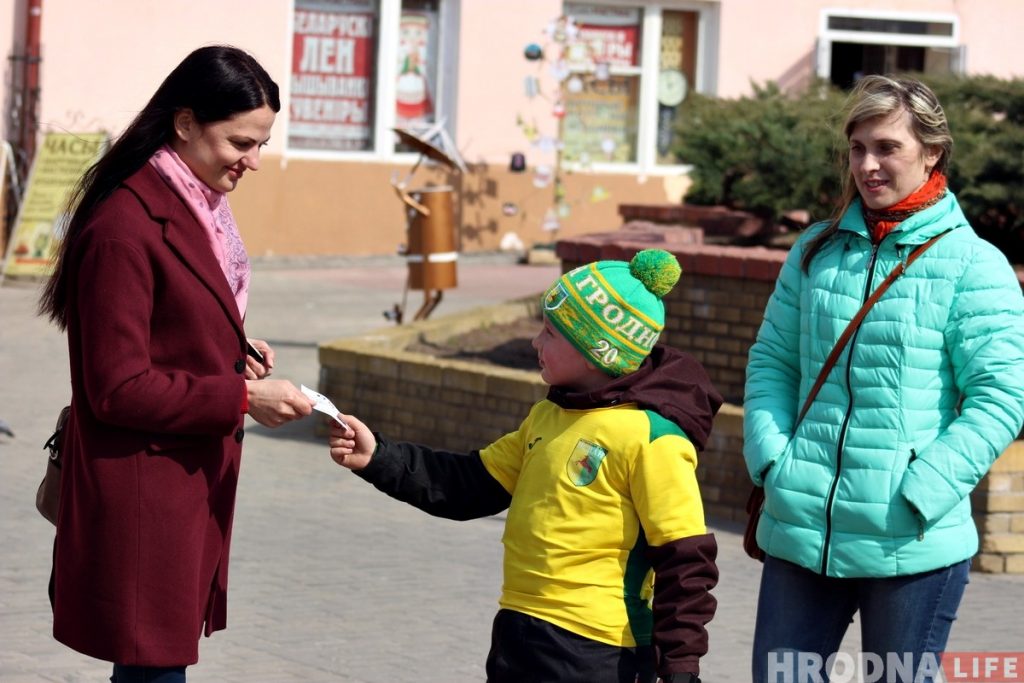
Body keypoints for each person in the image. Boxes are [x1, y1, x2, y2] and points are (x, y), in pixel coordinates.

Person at [37, 45, 315, 682]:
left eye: (261, 143)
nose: (253, 161)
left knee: (152, 668)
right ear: (185, 124)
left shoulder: (198, 207)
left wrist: (232, 350)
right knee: (153, 668)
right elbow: (117, 386)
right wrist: (242, 399)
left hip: (180, 484)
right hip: (143, 493)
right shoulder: (123, 228)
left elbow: (175, 322)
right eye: (240, 142)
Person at [327, 249, 722, 683]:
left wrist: (681, 668)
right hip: (519, 628)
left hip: (598, 649)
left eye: (551, 332)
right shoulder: (548, 417)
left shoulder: (651, 438)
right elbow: (469, 484)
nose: (535, 341)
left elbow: (686, 559)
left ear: (596, 350)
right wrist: (378, 457)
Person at [743, 74, 1024, 683]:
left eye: (887, 147)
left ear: (932, 151)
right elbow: (773, 360)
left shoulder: (975, 264)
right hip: (801, 528)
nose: (868, 165)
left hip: (911, 544)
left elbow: (999, 400)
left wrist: (919, 492)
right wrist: (773, 462)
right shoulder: (816, 249)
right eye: (858, 148)